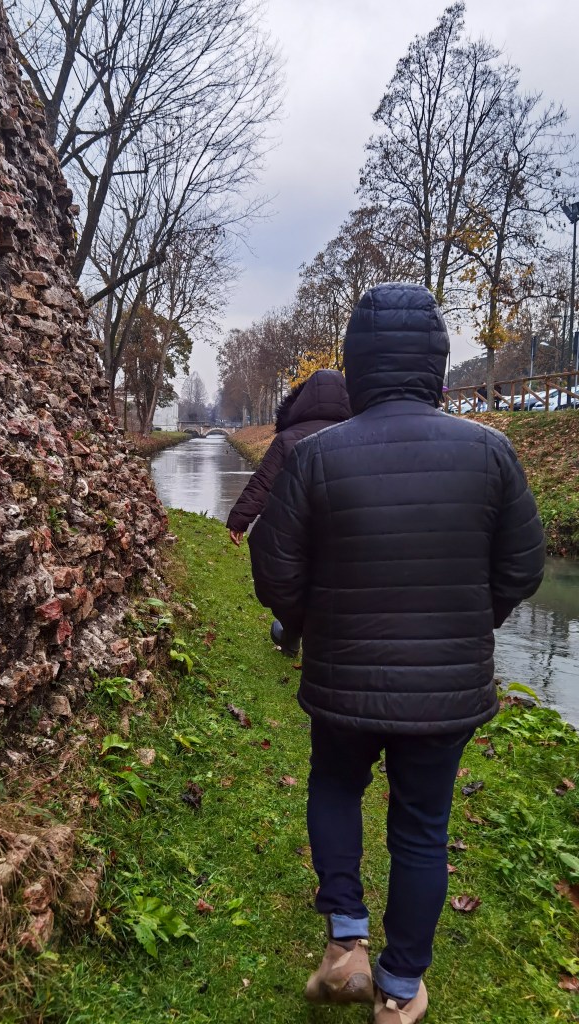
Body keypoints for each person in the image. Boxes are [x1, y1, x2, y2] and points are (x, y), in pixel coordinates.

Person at [248, 284, 544, 1023]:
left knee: (336, 785)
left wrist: (315, 624)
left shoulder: (316, 456)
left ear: (358, 364)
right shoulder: (491, 451)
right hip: (447, 690)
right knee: (421, 827)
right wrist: (470, 621)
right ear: (435, 363)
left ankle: (345, 944)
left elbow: (274, 569)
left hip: (342, 679)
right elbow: (521, 567)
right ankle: (401, 991)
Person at [226, 369, 350, 655]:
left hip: (296, 526)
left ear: (304, 399)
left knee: (295, 580)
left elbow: (264, 481)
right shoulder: (359, 435)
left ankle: (291, 634)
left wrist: (240, 519)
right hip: (343, 525)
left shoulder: (288, 438)